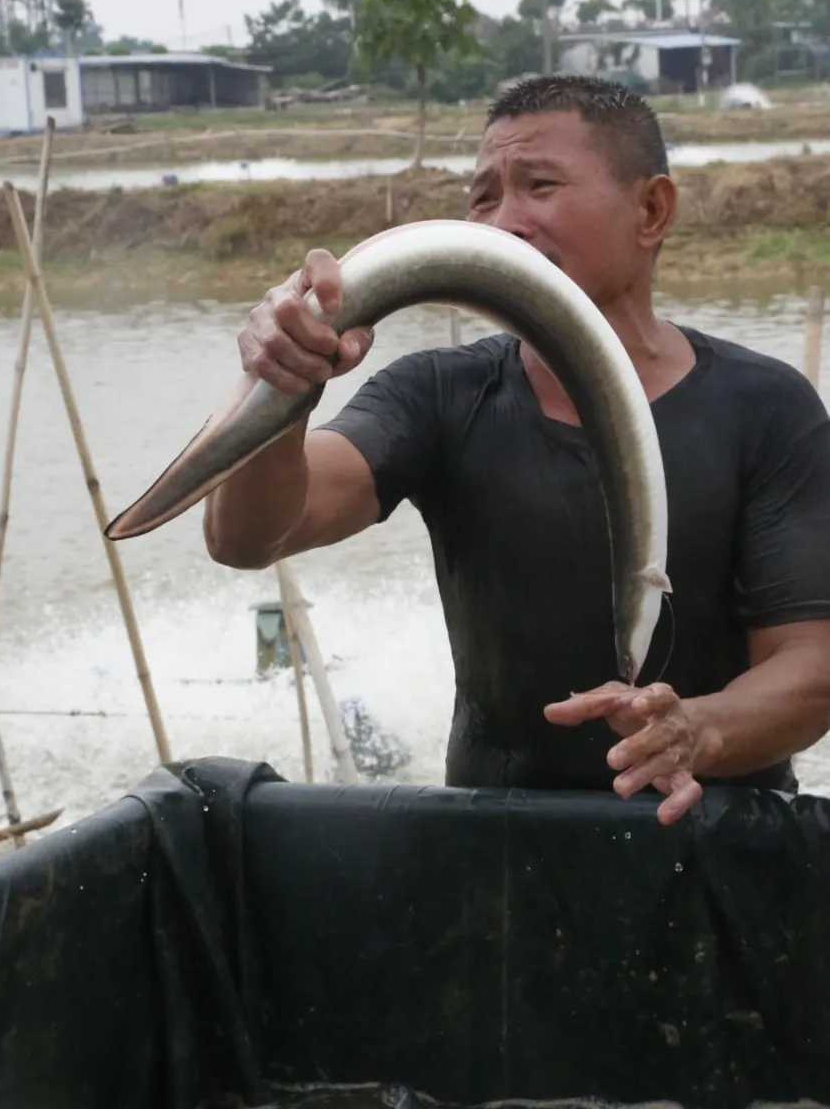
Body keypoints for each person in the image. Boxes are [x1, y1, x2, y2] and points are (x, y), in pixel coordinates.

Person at [203, 74, 830, 826]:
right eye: (481, 198)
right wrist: (280, 389)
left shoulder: (764, 407)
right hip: (492, 853)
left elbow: (809, 668)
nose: (502, 222)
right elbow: (247, 536)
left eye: (539, 185)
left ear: (651, 210)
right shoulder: (437, 395)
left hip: (715, 850)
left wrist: (694, 730)